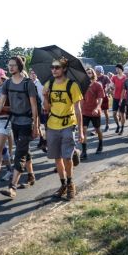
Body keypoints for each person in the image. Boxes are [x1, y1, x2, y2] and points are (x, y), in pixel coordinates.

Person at [0, 56, 40, 199]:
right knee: (24, 149)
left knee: (19, 153)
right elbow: (1, 103)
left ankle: (12, 187)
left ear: (19, 66)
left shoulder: (28, 84)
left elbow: (34, 106)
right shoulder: (7, 83)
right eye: (9, 65)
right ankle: (31, 176)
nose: (10, 67)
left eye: (13, 65)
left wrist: (36, 126)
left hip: (26, 122)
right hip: (14, 122)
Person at [43, 57, 84, 201]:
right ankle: (63, 184)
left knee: (66, 157)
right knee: (57, 158)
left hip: (68, 124)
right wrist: (45, 97)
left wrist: (81, 131)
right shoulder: (48, 84)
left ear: (64, 69)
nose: (54, 70)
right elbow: (46, 109)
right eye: (52, 67)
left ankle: (71, 183)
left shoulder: (72, 85)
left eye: (57, 67)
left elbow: (78, 110)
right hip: (52, 124)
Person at [81, 68, 104, 158]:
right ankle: (84, 151)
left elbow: (100, 98)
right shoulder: (82, 85)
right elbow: (81, 98)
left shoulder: (98, 85)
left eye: (90, 73)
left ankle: (100, 144)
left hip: (95, 111)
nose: (88, 74)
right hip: (85, 111)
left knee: (97, 129)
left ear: (93, 74)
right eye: (87, 73)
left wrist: (97, 108)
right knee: (84, 130)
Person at [30, 68, 47, 152]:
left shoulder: (39, 83)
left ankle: (44, 140)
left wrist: (44, 106)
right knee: (37, 124)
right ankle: (42, 139)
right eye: (31, 73)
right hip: (33, 107)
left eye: (34, 73)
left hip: (40, 106)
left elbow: (42, 96)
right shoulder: (29, 83)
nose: (33, 75)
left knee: (42, 124)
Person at [111, 64, 127, 135]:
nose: (117, 70)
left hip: (123, 97)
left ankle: (122, 128)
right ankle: (118, 125)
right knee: (114, 114)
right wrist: (110, 88)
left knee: (122, 114)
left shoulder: (125, 77)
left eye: (118, 69)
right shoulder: (114, 77)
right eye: (116, 69)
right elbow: (111, 85)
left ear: (121, 69)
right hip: (115, 97)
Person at [94, 65, 111, 133]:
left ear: (100, 71)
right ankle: (97, 128)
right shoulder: (95, 78)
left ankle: (107, 125)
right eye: (96, 70)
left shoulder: (105, 77)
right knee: (97, 113)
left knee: (106, 112)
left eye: (97, 71)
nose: (96, 72)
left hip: (104, 97)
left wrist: (107, 91)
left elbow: (109, 85)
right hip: (97, 98)